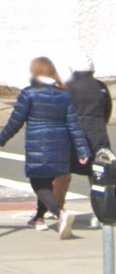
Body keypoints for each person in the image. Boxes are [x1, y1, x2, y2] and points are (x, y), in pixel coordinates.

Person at [0, 56, 92, 239]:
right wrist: (83, 151)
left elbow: (16, 120)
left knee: (38, 182)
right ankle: (39, 219)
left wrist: (3, 138)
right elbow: (74, 125)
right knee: (46, 180)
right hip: (60, 145)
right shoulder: (64, 94)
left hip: (38, 144)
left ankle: (60, 213)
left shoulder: (29, 93)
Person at [65, 58, 112, 228]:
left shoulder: (68, 87)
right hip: (98, 134)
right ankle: (99, 213)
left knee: (62, 172)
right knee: (98, 175)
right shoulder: (101, 87)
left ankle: (56, 209)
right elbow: (107, 110)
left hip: (73, 135)